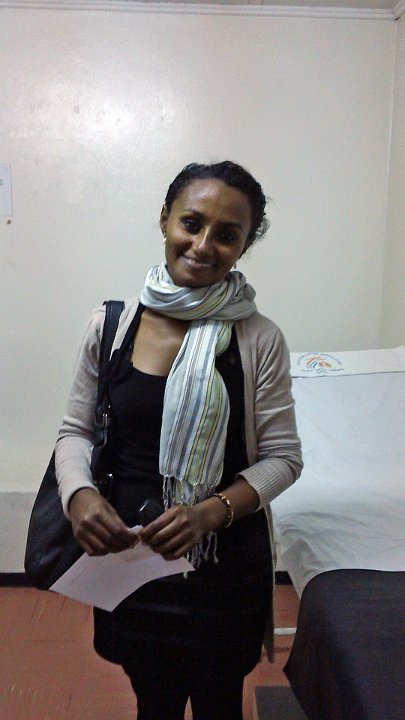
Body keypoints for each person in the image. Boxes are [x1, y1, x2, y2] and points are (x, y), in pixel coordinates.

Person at [55, 160, 303, 720]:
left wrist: (208, 514)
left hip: (224, 569)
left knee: (220, 703)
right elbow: (76, 432)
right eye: (192, 223)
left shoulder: (258, 339)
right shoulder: (111, 326)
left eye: (227, 234)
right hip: (130, 563)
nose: (203, 245)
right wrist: (80, 496)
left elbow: (284, 459)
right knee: (154, 701)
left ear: (243, 247)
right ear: (166, 219)